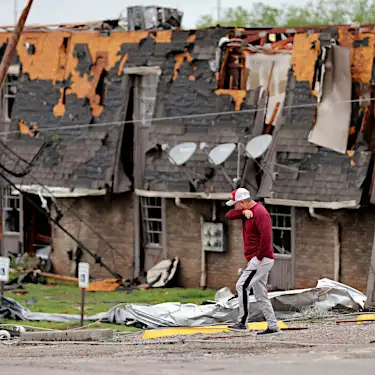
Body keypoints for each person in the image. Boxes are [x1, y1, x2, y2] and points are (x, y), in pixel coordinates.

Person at [225, 188, 280, 335]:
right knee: (261, 294)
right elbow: (228, 215)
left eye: (235, 204)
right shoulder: (247, 212)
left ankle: (242, 322)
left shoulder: (260, 213)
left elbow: (266, 237)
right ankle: (273, 326)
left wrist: (259, 257)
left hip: (261, 258)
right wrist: (241, 212)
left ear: (242, 202)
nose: (234, 207)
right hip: (258, 259)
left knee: (242, 286)